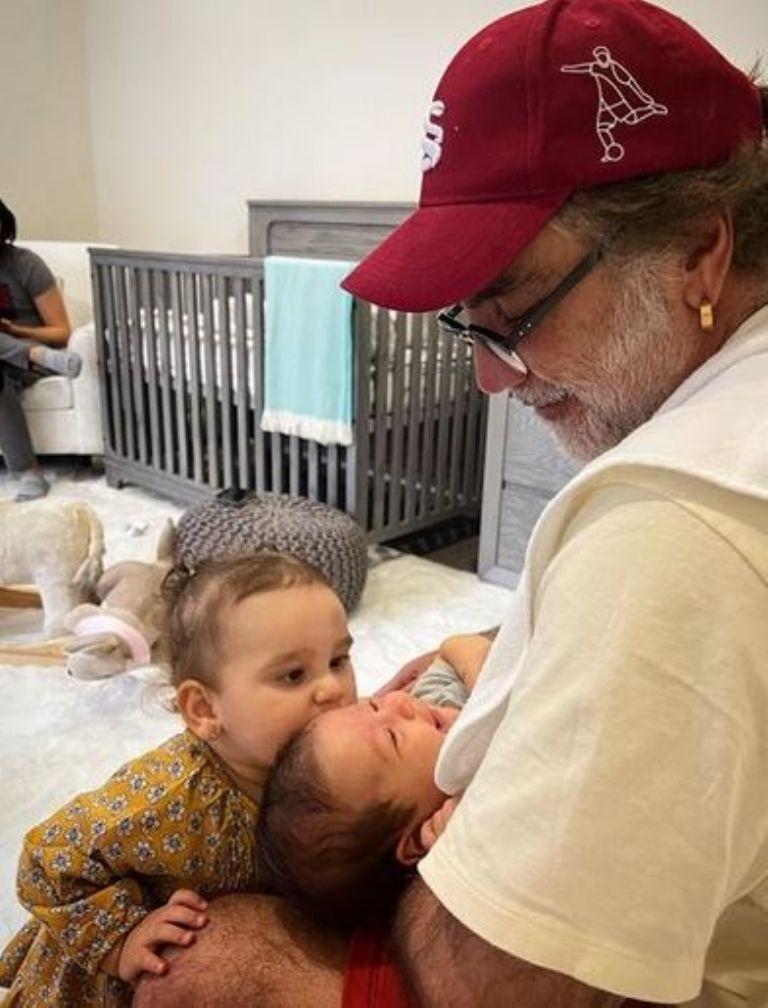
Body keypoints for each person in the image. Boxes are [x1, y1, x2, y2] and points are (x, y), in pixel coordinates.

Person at [135, 0, 768, 1005]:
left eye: (512, 313)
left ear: (699, 248)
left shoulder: (678, 523)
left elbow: (498, 981)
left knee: (211, 966)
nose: (489, 379)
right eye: (467, 325)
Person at [0, 552, 357, 1007]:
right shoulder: (170, 794)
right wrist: (120, 941)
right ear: (205, 710)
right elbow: (48, 856)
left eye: (339, 659)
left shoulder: (325, 765)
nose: (333, 689)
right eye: (293, 675)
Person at [257, 635, 490, 926]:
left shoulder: (435, 700)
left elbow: (456, 645)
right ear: (418, 838)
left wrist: (484, 678)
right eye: (393, 738)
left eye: (373, 706)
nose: (400, 701)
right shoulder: (480, 806)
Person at [0, 199, 83, 501]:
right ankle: (29, 472)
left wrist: (17, 331)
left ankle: (27, 473)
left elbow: (62, 332)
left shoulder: (25, 264)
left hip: (43, 357)